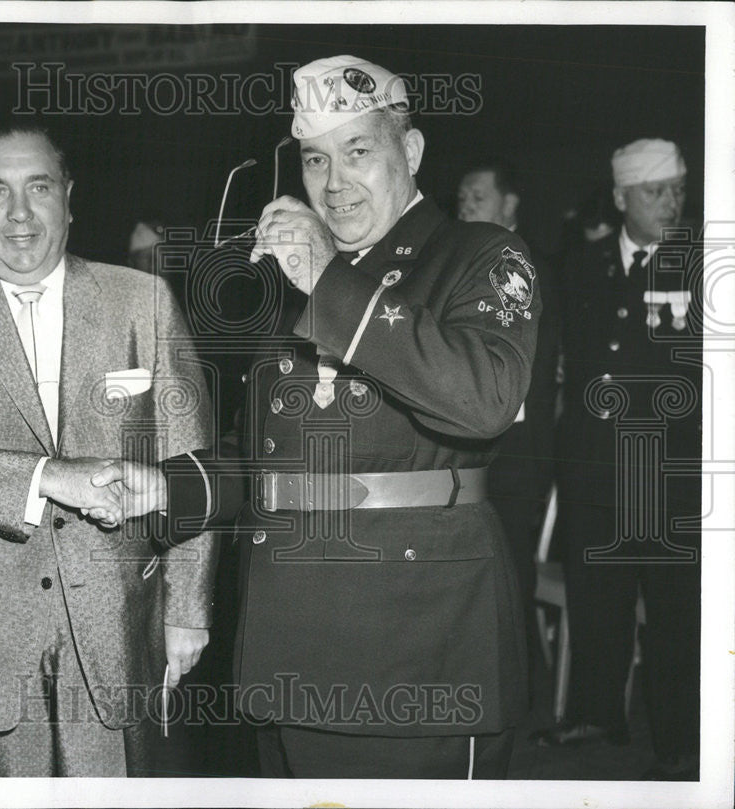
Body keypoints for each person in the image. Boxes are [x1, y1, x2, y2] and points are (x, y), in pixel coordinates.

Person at [94, 55, 541, 779]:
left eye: (359, 152)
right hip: (288, 644)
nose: (334, 183)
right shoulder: (297, 286)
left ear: (412, 151)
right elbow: (265, 459)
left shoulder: (479, 256)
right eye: (314, 159)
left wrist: (331, 277)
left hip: (415, 652)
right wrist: (164, 488)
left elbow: (483, 399)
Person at [0, 122, 218, 777]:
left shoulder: (142, 300)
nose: (20, 213)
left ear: (69, 197)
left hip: (120, 634)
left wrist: (188, 610)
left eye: (38, 187)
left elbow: (190, 466)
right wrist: (50, 476)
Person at [539, 138, 700, 780]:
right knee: (596, 598)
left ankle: (679, 737)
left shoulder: (703, 266)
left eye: (678, 190)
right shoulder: (584, 264)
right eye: (656, 192)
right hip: (595, 466)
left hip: (667, 470)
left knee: (673, 610)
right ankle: (597, 713)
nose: (671, 203)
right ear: (620, 198)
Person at [457, 160, 560, 666]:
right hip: (460, 440)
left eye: (477, 196)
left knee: (511, 558)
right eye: (462, 199)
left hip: (517, 447)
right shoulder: (452, 263)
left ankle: (514, 676)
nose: (466, 206)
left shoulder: (540, 264)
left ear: (510, 204)